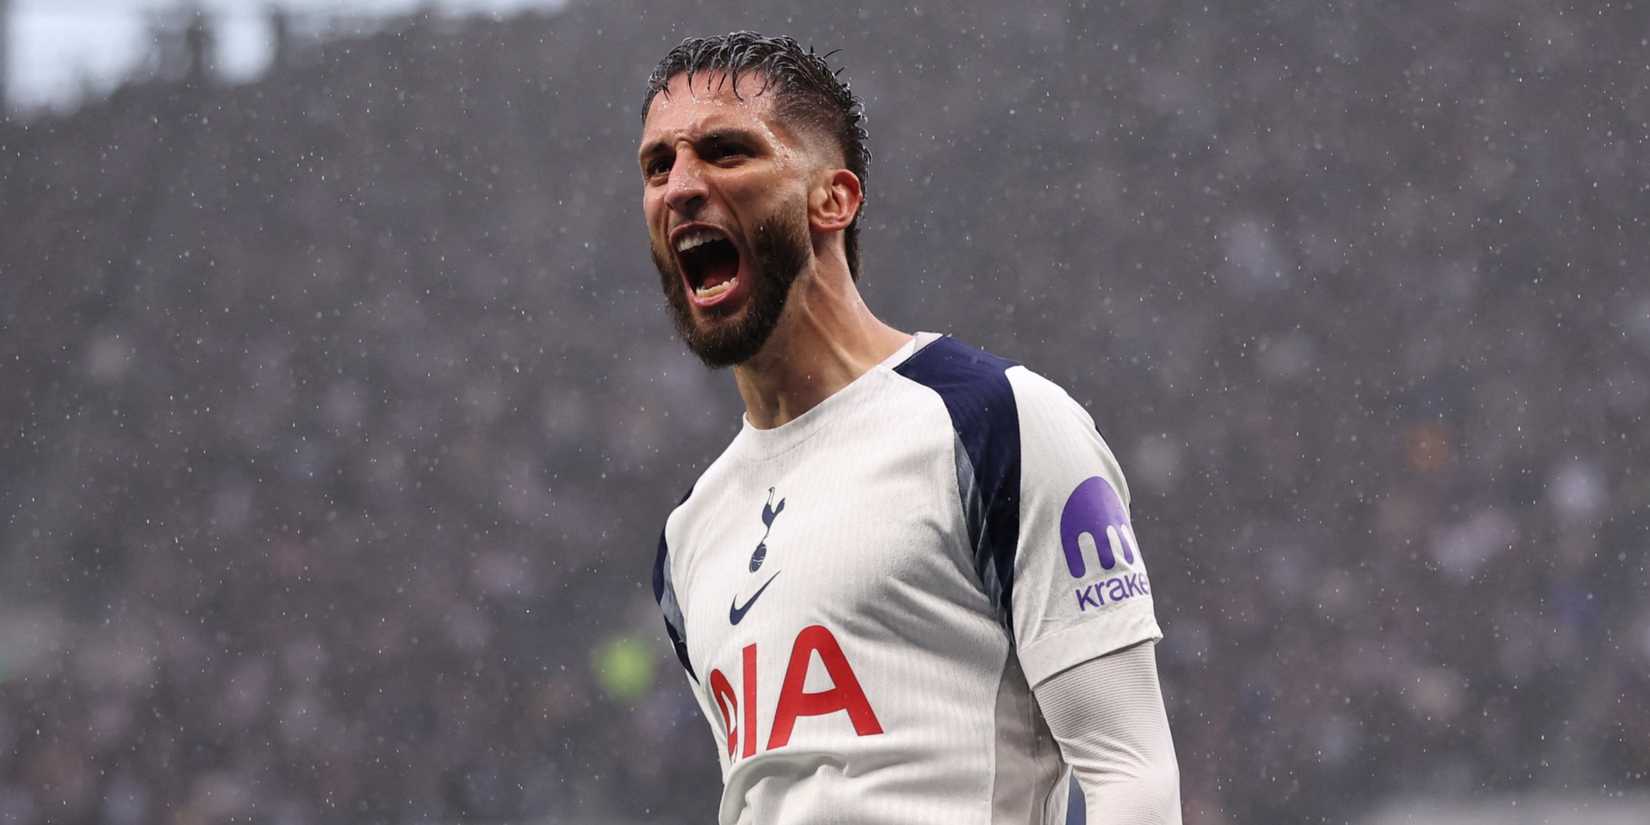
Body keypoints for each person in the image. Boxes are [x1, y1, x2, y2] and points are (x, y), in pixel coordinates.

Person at [640, 32, 1182, 825]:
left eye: (725, 152)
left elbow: (1130, 773)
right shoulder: (689, 535)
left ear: (835, 197)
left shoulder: (997, 421)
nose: (681, 186)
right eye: (658, 166)